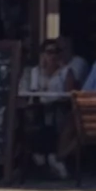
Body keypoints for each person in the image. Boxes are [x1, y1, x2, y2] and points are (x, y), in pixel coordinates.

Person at [19, 38, 78, 179]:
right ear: (43, 54)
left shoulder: (66, 71)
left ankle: (53, 158)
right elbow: (33, 92)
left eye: (57, 52)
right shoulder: (35, 72)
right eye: (49, 52)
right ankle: (39, 160)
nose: (53, 55)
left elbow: (69, 95)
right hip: (38, 109)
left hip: (59, 108)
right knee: (28, 120)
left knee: (56, 119)